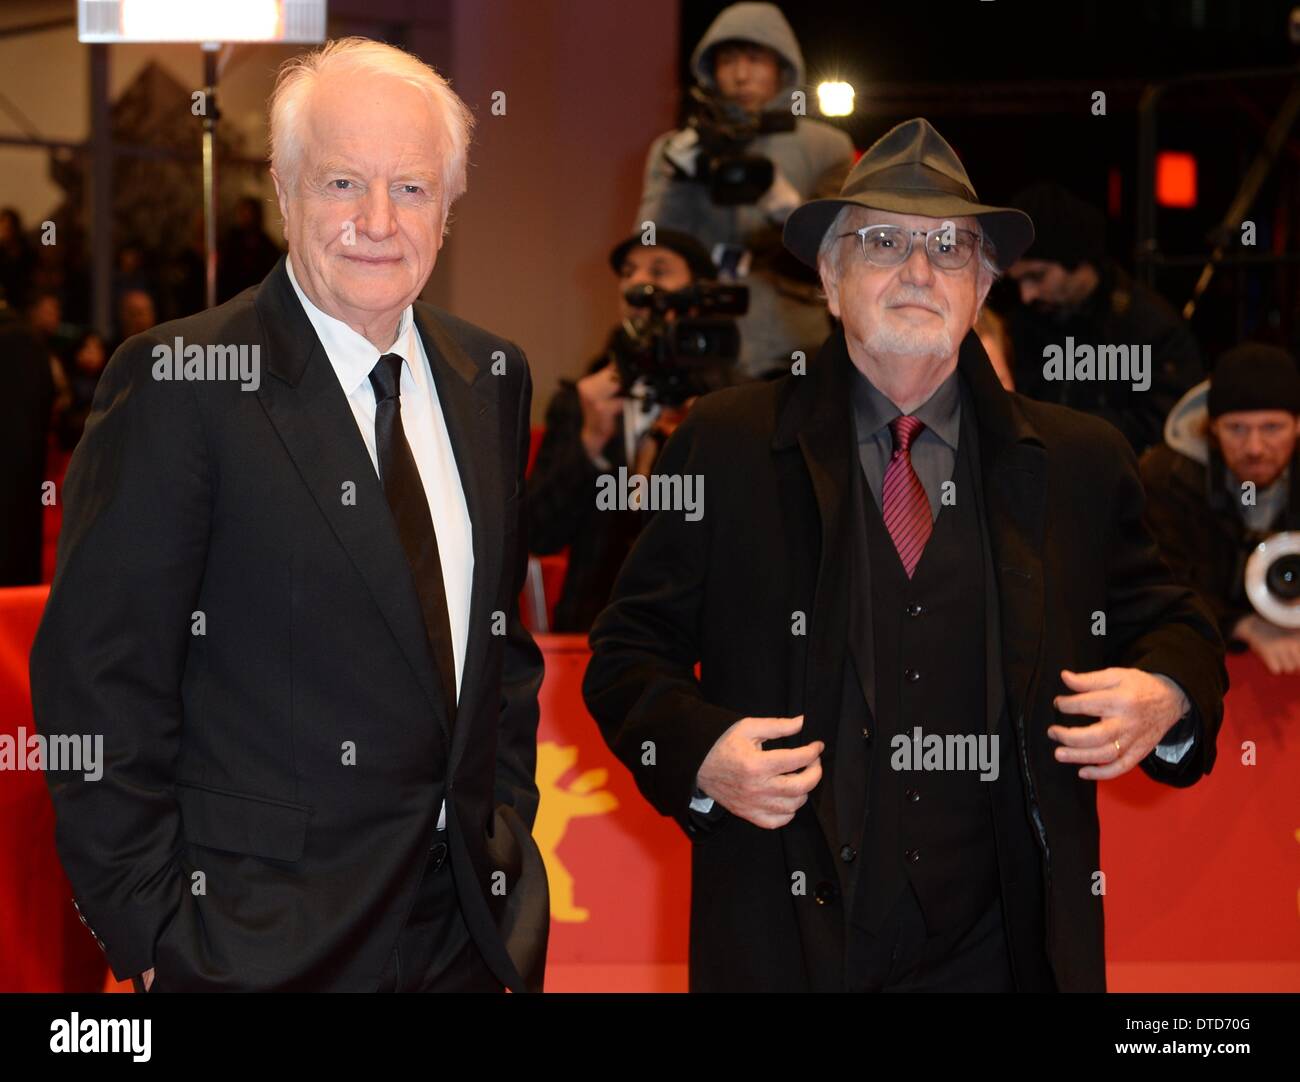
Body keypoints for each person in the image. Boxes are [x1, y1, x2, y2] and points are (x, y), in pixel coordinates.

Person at [583, 118, 1226, 992]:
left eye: (950, 250)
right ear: (830, 278)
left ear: (984, 286)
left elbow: (1176, 620)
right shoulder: (726, 444)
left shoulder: (1079, 461)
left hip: (1007, 951)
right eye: (883, 243)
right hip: (790, 937)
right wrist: (698, 752)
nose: (919, 272)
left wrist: (1169, 693)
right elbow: (627, 653)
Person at [30, 37, 548, 993]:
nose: (378, 222)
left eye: (413, 189)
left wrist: (503, 825)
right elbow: (98, 684)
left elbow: (500, 653)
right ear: (283, 186)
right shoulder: (180, 382)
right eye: (344, 183)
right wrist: (150, 940)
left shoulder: (493, 377)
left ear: (450, 203)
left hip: (466, 937)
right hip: (252, 944)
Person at [636, 1, 854, 379]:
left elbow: (841, 254)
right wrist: (678, 174)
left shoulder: (826, 147)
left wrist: (783, 205)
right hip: (701, 339)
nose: (740, 75)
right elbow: (649, 245)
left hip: (795, 343)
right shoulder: (675, 150)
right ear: (711, 70)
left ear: (782, 67)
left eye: (755, 59)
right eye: (727, 60)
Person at [528, 229, 723, 631]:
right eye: (629, 272)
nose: (638, 282)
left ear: (698, 293)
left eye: (659, 270)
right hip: (596, 626)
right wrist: (591, 444)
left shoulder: (731, 403)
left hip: (704, 630)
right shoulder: (581, 400)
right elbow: (538, 535)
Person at [1003, 182, 1203, 455]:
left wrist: (1065, 433)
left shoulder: (1149, 327)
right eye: (1018, 280)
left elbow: (1172, 424)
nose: (1026, 294)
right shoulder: (1022, 324)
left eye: (1037, 276)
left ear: (1077, 262)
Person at [1141, 344, 1300, 673]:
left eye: (1272, 427)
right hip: (1198, 656)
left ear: (1298, 425)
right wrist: (1241, 624)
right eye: (1236, 428)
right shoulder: (1166, 477)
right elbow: (1158, 581)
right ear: (1212, 427)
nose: (1254, 448)